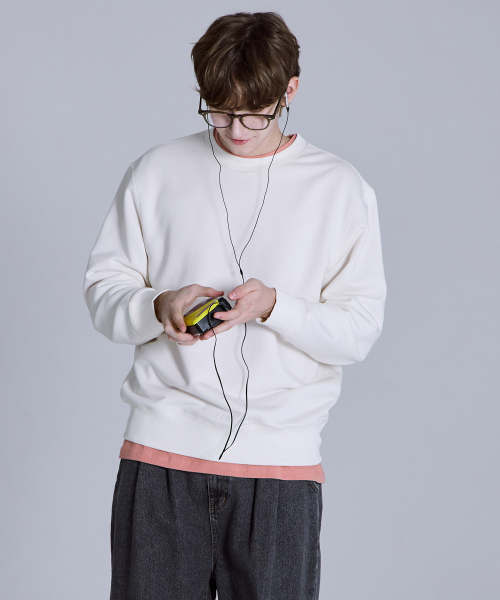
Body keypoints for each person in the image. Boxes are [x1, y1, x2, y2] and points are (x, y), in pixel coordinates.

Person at [83, 11, 387, 600]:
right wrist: (159, 305)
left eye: (255, 114)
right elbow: (103, 293)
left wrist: (276, 308)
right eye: (219, 112)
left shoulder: (340, 188)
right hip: (161, 459)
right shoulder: (156, 171)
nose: (236, 130)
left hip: (281, 473)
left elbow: (358, 331)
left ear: (289, 90)